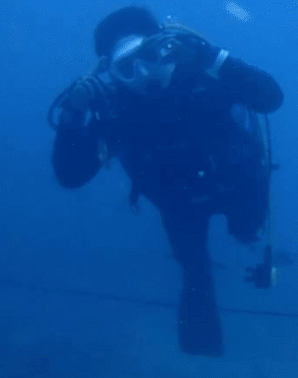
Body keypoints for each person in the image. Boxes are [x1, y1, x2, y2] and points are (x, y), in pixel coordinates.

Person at [48, 5, 283, 357]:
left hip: (238, 184)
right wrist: (74, 113)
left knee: (247, 229)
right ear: (110, 73)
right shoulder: (115, 107)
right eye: (127, 67)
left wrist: (209, 56)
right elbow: (70, 176)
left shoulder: (202, 74)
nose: (143, 73)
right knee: (194, 270)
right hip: (178, 202)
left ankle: (246, 235)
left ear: (165, 47)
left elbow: (270, 97)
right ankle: (203, 358)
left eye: (148, 56)